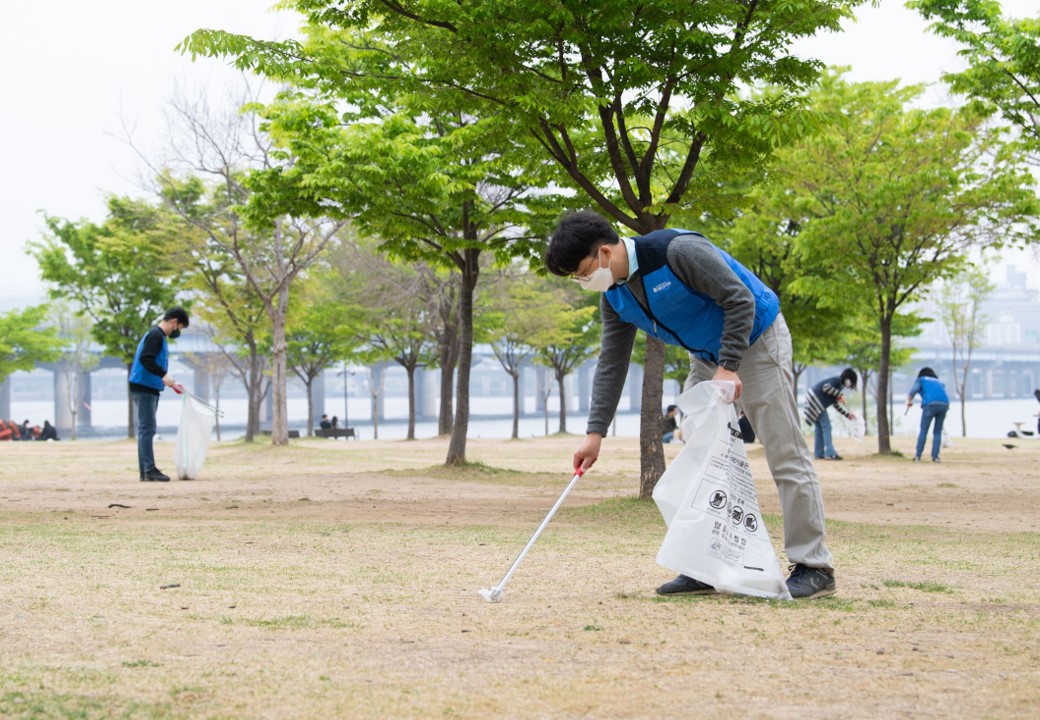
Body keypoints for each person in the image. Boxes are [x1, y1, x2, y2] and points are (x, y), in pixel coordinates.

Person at [545, 210, 836, 600]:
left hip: (757, 340)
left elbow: (740, 300)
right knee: (702, 463)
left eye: (583, 272)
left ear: (604, 253)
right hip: (705, 355)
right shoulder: (614, 297)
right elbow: (611, 362)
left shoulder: (677, 251)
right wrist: (594, 433)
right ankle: (705, 565)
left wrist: (729, 367)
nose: (585, 282)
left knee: (785, 453)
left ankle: (814, 566)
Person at [129, 307, 189, 482]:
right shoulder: (156, 335)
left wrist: (167, 381)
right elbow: (146, 359)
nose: (178, 332)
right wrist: (163, 374)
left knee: (145, 428)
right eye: (180, 327)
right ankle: (149, 470)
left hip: (146, 385)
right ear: (174, 322)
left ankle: (145, 471)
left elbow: (152, 362)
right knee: (147, 428)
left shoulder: (157, 336)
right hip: (144, 387)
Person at [804, 369, 858, 461]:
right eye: (851, 381)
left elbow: (835, 404)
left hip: (813, 400)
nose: (850, 384)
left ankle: (819, 453)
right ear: (848, 379)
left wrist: (847, 415)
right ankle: (830, 453)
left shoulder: (839, 386)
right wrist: (839, 395)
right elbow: (826, 387)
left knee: (819, 429)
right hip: (816, 401)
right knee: (827, 427)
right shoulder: (837, 380)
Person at [906, 367, 950, 463]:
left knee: (924, 430)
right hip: (944, 404)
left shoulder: (921, 379)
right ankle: (935, 457)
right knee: (937, 431)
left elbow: (913, 391)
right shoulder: (938, 381)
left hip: (930, 404)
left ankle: (918, 456)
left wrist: (909, 401)